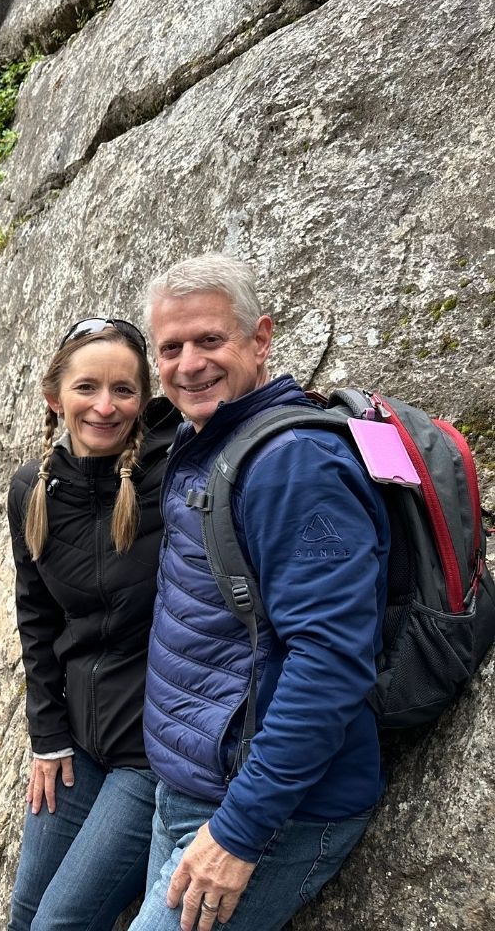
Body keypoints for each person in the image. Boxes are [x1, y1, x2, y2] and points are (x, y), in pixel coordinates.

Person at [129, 253, 391, 931]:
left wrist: (240, 831)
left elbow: (330, 659)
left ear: (260, 339)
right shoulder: (207, 443)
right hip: (192, 789)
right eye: (172, 348)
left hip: (267, 813)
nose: (190, 364)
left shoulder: (293, 464)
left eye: (210, 340)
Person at [7, 318, 182, 931]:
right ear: (53, 396)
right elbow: (36, 617)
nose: (105, 407)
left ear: (144, 399)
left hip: (148, 752)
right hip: (77, 738)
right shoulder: (32, 489)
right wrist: (47, 737)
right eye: (87, 388)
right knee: (24, 914)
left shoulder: (175, 475)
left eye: (124, 391)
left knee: (59, 923)